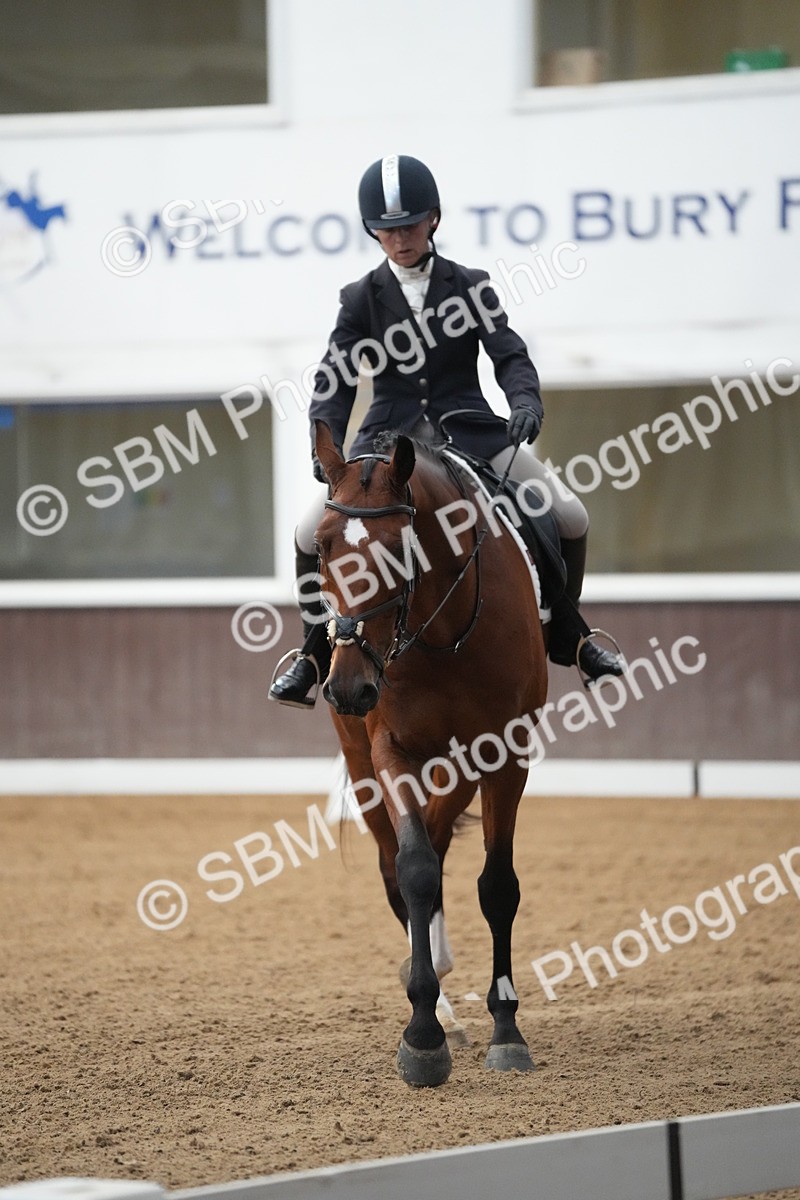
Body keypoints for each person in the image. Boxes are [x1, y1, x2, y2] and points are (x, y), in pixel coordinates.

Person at [269, 154, 624, 708]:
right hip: (386, 446)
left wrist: (525, 402)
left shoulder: (470, 285)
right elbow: (334, 378)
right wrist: (328, 441)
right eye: (387, 231)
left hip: (471, 433)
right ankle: (314, 653)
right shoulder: (361, 299)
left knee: (570, 514)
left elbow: (509, 355)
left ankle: (570, 636)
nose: (400, 240)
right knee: (306, 531)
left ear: (433, 220)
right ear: (373, 233)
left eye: (409, 226)